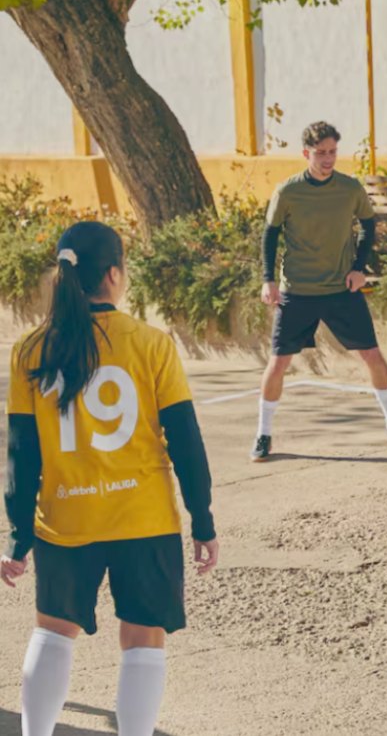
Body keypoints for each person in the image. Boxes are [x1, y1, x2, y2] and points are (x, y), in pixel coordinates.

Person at [1, 221, 219, 736]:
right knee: (143, 640)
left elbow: (20, 454)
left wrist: (16, 535)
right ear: (115, 275)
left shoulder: (31, 350)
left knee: (53, 635)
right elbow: (186, 441)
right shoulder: (150, 343)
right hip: (143, 520)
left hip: (65, 519)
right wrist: (202, 520)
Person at [253, 120, 387, 461]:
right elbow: (270, 235)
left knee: (372, 355)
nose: (328, 159)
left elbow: (369, 226)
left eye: (333, 152)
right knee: (279, 362)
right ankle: (263, 434)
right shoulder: (288, 191)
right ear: (306, 153)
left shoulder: (349, 188)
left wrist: (359, 268)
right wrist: (268, 279)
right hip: (297, 290)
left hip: (341, 289)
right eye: (321, 153)